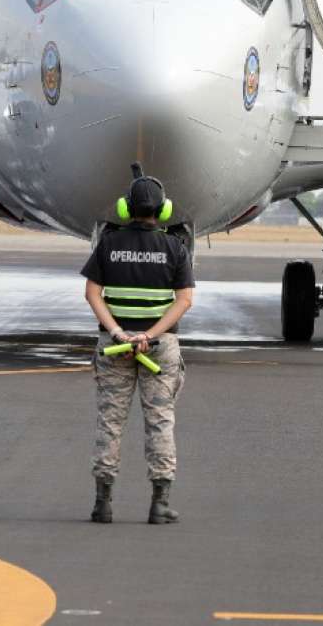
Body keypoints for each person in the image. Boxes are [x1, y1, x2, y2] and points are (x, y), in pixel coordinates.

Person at [80, 165, 195, 524]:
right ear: (164, 211)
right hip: (158, 349)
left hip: (114, 347)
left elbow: (92, 293)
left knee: (109, 423)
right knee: (160, 421)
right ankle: (160, 504)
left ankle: (103, 503)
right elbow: (185, 300)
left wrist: (117, 332)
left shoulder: (109, 245)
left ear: (125, 208)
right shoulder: (175, 248)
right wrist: (151, 335)